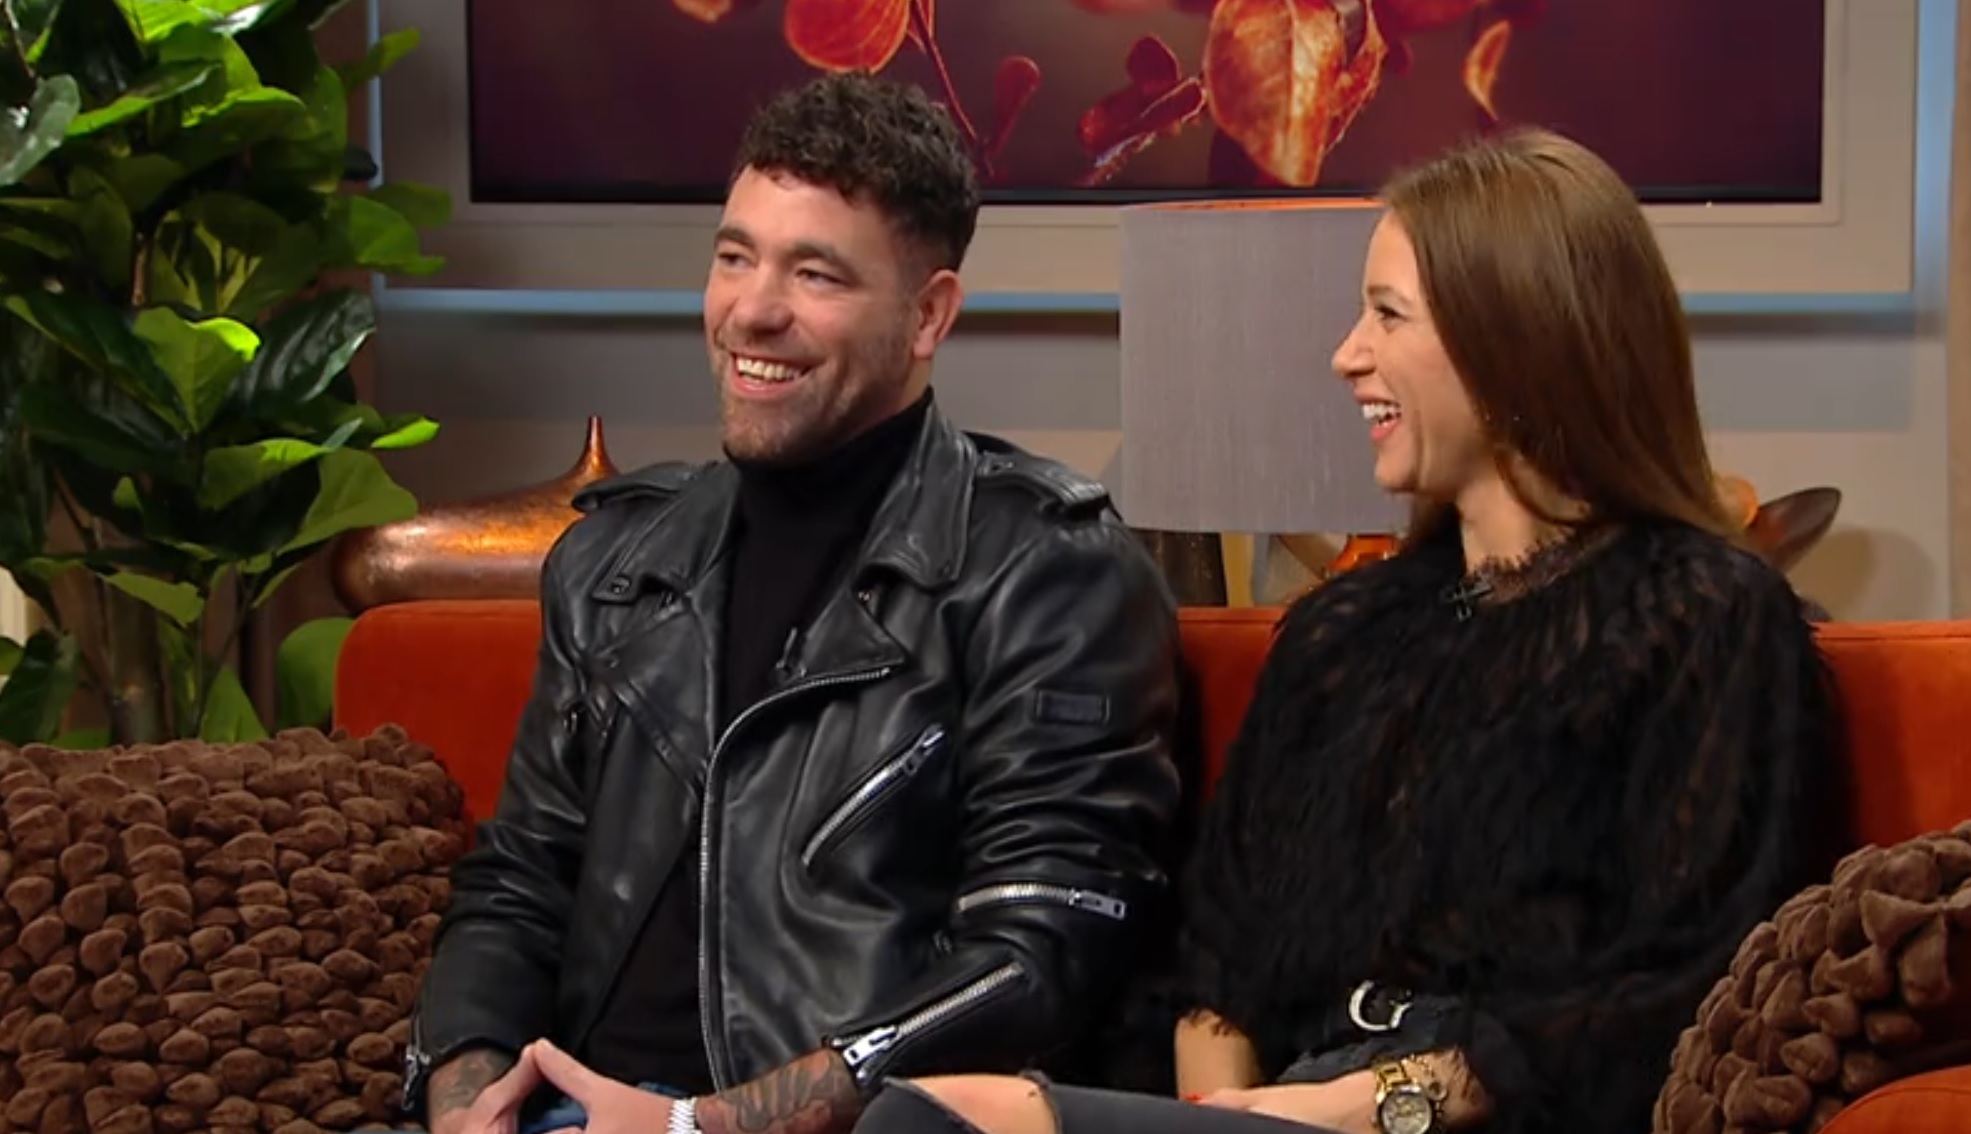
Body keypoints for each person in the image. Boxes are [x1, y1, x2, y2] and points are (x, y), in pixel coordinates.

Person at [848, 127, 1843, 1134]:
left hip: (1479, 1119)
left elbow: (1682, 988)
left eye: (1385, 314)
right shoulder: (1340, 632)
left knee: (927, 1128)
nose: (1345, 355)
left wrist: (1355, 1107)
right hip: (1279, 1108)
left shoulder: (1706, 618)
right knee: (924, 1110)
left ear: (1513, 340)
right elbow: (1215, 968)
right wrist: (1227, 1113)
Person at [400, 73, 1186, 1134]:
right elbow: (519, 883)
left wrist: (699, 1126)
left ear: (927, 315)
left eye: (814, 274)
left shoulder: (1047, 572)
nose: (751, 311)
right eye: (735, 258)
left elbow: (1037, 954)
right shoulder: (614, 565)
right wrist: (464, 1095)